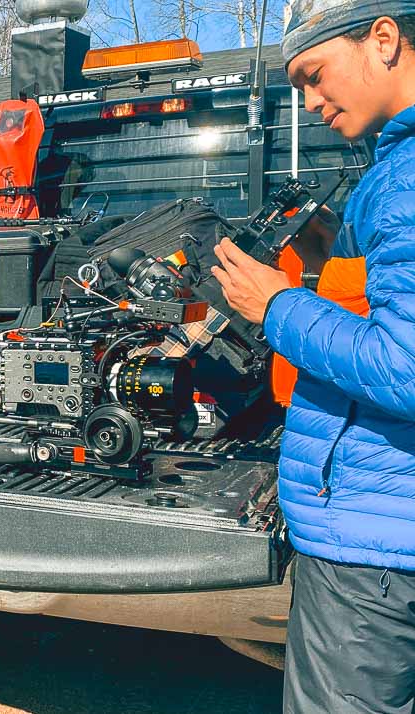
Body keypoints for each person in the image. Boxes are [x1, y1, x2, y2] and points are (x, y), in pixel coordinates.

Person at [211, 3, 415, 711]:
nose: (308, 101)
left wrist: (276, 306)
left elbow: (406, 366)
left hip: (374, 549)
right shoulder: (393, 168)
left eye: (313, 74)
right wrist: (329, 274)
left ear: (383, 38)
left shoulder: (406, 178)